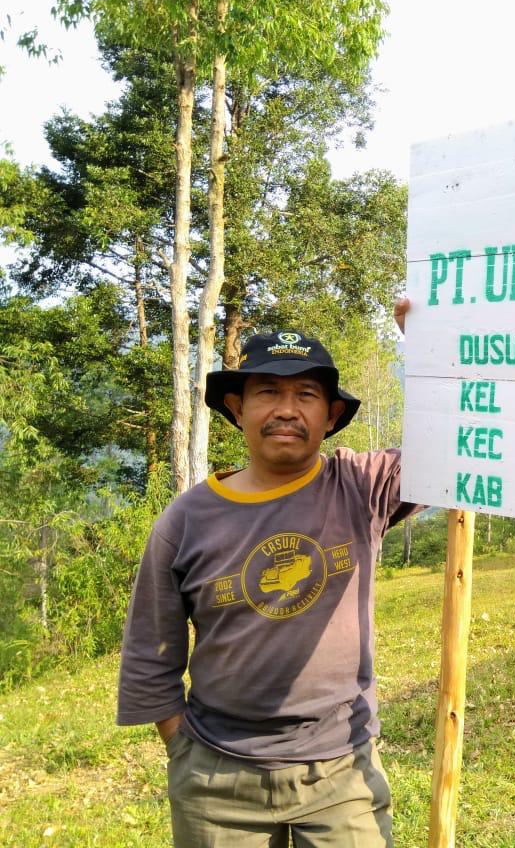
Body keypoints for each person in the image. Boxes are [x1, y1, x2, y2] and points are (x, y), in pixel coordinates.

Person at [117, 325, 418, 848]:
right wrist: (182, 749)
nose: (287, 409)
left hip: (342, 771)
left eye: (306, 395)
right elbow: (150, 650)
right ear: (237, 408)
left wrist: (432, 340)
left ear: (331, 416)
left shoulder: (361, 486)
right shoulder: (186, 521)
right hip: (217, 782)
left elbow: (457, 445)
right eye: (268, 392)